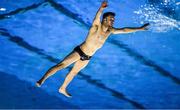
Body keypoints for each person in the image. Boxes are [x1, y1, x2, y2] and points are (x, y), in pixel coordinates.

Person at [36, 1, 149, 97]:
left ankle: (62, 88)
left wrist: (140, 28)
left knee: (73, 73)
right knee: (60, 66)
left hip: (88, 57)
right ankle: (42, 79)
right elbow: (97, 17)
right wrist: (101, 8)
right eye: (111, 19)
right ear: (105, 19)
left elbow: (124, 30)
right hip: (80, 51)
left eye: (113, 20)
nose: (113, 21)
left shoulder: (110, 31)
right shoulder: (96, 26)